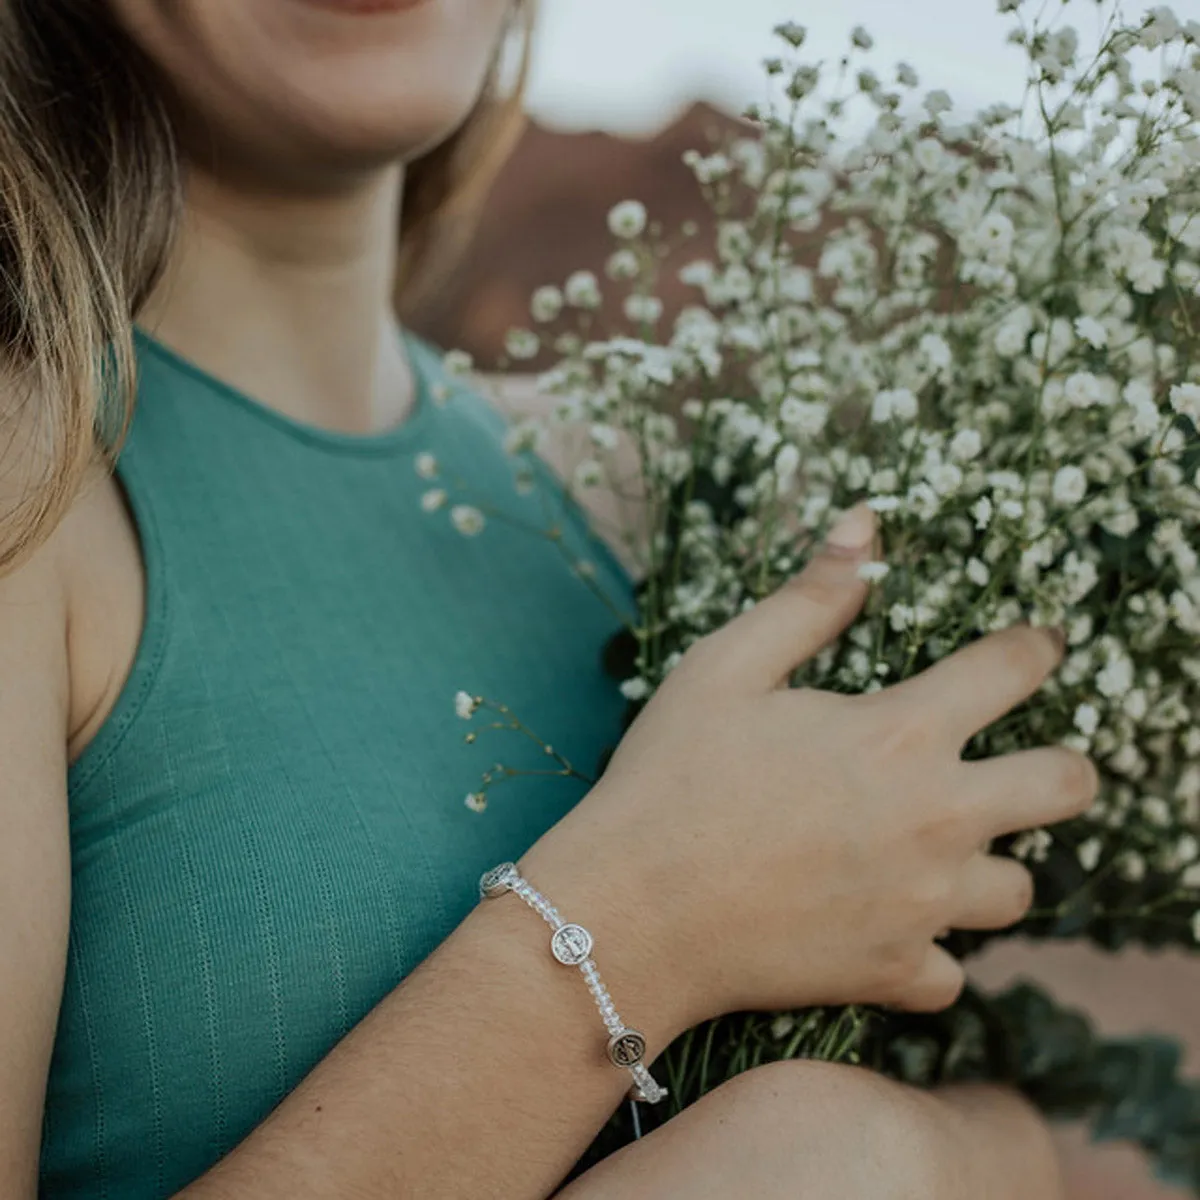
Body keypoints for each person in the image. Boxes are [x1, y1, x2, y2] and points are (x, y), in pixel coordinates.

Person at [0, 1, 1098, 1197]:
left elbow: (1070, 1125)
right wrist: (652, 916)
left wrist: (917, 1150)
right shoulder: (36, 494)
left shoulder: (625, 496)